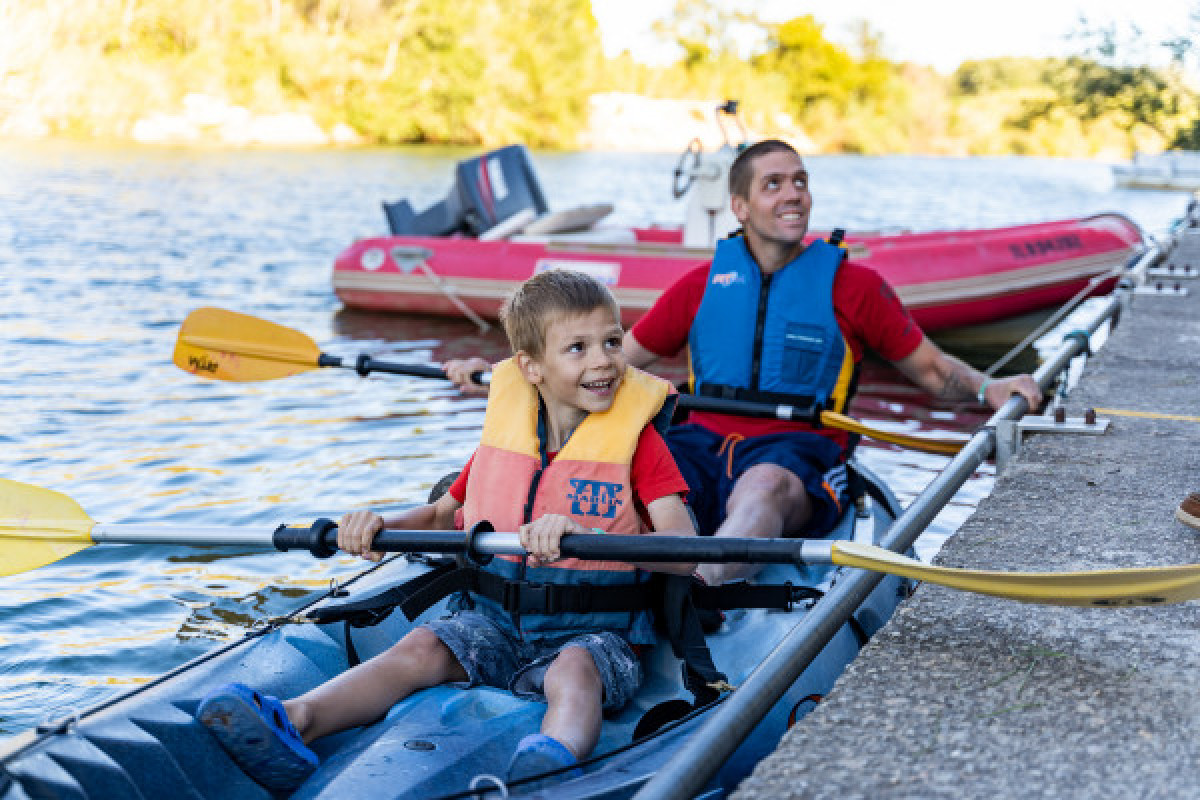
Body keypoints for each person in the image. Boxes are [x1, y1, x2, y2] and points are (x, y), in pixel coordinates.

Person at [446, 139, 1042, 586]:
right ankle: (548, 563)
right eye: (774, 183)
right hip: (700, 438)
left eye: (801, 181)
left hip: (797, 448)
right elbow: (600, 368)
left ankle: (704, 586)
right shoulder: (700, 285)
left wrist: (991, 385)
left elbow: (934, 373)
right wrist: (497, 376)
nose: (793, 194)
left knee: (763, 485)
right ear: (739, 204)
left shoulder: (855, 286)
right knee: (624, 465)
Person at [196, 270, 696, 793]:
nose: (604, 360)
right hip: (495, 623)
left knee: (572, 670)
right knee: (421, 648)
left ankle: (554, 759)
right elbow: (441, 515)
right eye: (578, 347)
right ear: (530, 368)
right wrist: (380, 523)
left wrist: (580, 532)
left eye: (613, 341)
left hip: (598, 634)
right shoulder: (508, 439)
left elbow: (684, 554)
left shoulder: (641, 447)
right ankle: (296, 720)